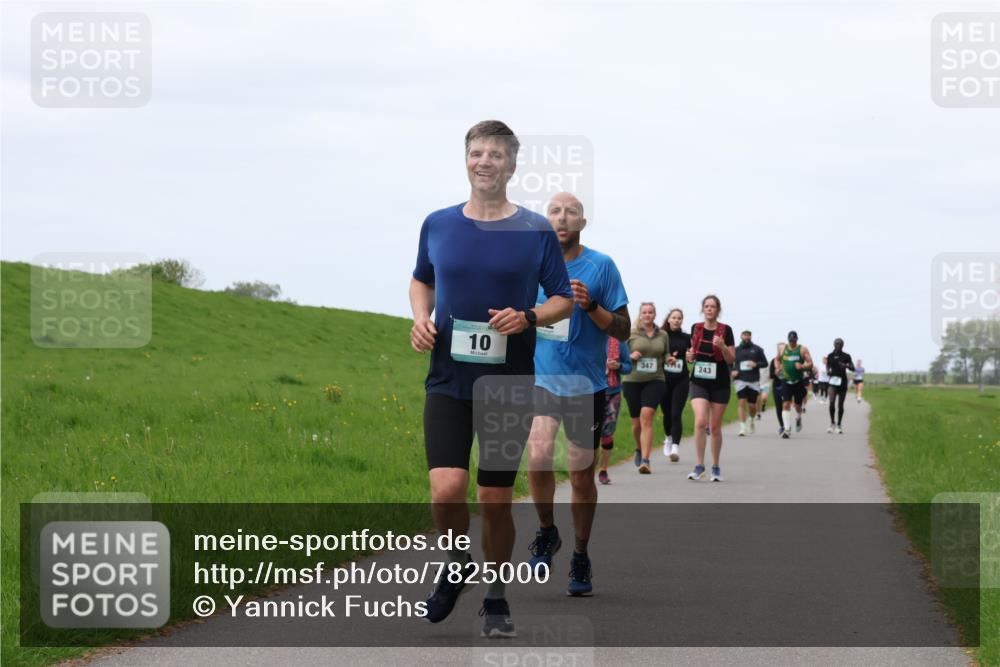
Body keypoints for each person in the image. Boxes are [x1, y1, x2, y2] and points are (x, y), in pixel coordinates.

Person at [410, 120, 574, 638]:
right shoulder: (438, 223)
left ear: (512, 165)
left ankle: (497, 598)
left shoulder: (535, 230)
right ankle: (458, 562)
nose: (485, 162)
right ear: (466, 159)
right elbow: (421, 280)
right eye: (477, 153)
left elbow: (563, 298)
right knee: (446, 489)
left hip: (508, 382)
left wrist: (528, 317)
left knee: (495, 499)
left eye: (496, 155)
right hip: (448, 378)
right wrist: (420, 318)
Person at [527, 192, 630, 598]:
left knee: (580, 474)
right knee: (538, 454)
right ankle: (546, 531)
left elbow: (623, 329)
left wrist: (591, 307)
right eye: (554, 211)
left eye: (571, 212)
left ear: (582, 223)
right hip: (542, 380)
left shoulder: (602, 266)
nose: (562, 218)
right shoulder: (532, 266)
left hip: (586, 386)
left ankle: (580, 553)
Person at [685, 295, 735, 482]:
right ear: (702, 309)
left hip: (720, 382)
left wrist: (722, 346)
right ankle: (699, 466)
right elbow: (692, 354)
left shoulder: (726, 330)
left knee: (714, 427)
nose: (709, 309)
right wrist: (689, 356)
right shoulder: (696, 328)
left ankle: (715, 466)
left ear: (718, 310)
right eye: (706, 306)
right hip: (699, 381)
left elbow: (731, 359)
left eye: (712, 306)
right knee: (700, 421)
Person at [622, 303, 668, 474]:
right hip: (632, 380)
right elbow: (620, 356)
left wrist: (669, 359)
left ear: (655, 315)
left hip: (655, 380)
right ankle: (639, 448)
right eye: (645, 312)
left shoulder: (663, 334)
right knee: (636, 424)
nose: (648, 315)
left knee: (647, 417)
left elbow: (666, 353)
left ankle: (646, 461)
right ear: (640, 315)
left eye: (650, 312)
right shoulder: (630, 334)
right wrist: (630, 356)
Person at [598, 336, 632, 484]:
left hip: (612, 392)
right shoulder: (587, 337)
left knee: (607, 433)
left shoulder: (618, 341)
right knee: (589, 435)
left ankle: (603, 470)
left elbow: (629, 367)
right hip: (590, 391)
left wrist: (618, 366)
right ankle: (586, 471)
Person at [659, 308, 690, 462]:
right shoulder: (661, 336)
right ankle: (668, 438)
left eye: (679, 318)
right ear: (669, 319)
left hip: (681, 379)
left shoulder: (687, 338)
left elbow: (692, 355)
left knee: (676, 413)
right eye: (674, 317)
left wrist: (690, 356)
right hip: (663, 379)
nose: (677, 320)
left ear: (682, 320)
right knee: (667, 413)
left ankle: (676, 447)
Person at [777, 331, 814, 439]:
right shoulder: (782, 349)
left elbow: (810, 363)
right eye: (790, 341)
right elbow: (777, 359)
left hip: (798, 381)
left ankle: (798, 417)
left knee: (797, 406)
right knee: (785, 404)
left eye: (794, 341)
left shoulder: (802, 349)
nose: (792, 343)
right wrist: (778, 367)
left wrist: (802, 366)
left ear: (797, 340)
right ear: (788, 340)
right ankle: (787, 430)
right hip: (786, 380)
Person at [732, 330, 768, 437]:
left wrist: (756, 364)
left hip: (753, 380)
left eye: (748, 335)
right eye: (745, 335)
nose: (746, 337)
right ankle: (742, 428)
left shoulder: (757, 349)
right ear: (741, 336)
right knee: (742, 402)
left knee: (752, 406)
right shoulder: (736, 350)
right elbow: (729, 362)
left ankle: (751, 419)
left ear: (751, 336)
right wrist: (732, 371)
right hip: (740, 380)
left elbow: (765, 363)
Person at [826, 338, 856, 434]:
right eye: (837, 344)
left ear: (843, 345)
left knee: (840, 405)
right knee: (831, 402)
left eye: (840, 344)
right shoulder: (830, 356)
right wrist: (828, 371)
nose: (838, 345)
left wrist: (846, 366)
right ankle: (832, 423)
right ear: (834, 344)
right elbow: (827, 366)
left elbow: (853, 368)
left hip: (842, 381)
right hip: (832, 382)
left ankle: (839, 424)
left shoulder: (846, 356)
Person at [769, 348, 785, 434]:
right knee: (779, 406)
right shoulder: (773, 361)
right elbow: (771, 375)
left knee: (786, 405)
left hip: (787, 386)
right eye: (780, 351)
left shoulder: (788, 361)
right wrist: (776, 372)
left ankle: (787, 424)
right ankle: (782, 425)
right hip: (777, 386)